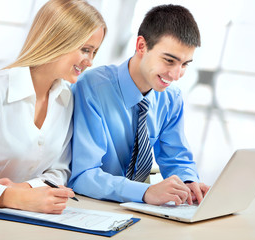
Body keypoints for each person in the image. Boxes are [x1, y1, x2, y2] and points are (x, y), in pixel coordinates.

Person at [0, 0, 106, 214]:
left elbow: (58, 171)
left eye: (94, 52)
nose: (89, 62)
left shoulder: (66, 98)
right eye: (85, 50)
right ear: (57, 40)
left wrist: (25, 189)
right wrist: (7, 196)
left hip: (26, 216)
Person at [69, 4, 210, 206]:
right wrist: (145, 192)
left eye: (185, 64)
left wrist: (188, 182)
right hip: (90, 204)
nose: (177, 75)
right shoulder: (92, 87)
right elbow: (83, 176)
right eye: (169, 60)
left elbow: (176, 158)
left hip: (135, 209)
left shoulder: (171, 99)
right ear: (141, 46)